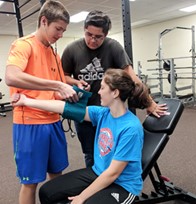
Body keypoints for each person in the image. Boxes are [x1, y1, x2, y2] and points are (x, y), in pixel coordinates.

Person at [12, 68, 152, 204]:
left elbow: (113, 173)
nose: (98, 91)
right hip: (98, 172)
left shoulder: (130, 128)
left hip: (123, 186)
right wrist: (26, 101)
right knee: (47, 192)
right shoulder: (103, 114)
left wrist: (81, 197)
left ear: (115, 93)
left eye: (102, 88)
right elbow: (63, 108)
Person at [61, 10, 167, 167]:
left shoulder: (113, 47)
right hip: (87, 112)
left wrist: (149, 103)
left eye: (98, 37)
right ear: (84, 29)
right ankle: (95, 187)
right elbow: (62, 76)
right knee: (90, 153)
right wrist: (75, 82)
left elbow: (131, 75)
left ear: (106, 34)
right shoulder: (72, 49)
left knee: (119, 150)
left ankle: (118, 186)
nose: (92, 40)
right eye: (89, 34)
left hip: (113, 113)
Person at [5, 1, 78, 204]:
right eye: (58, 29)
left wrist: (71, 88)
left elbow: (57, 86)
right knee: (30, 182)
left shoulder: (54, 54)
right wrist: (56, 86)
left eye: (64, 30)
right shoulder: (24, 45)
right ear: (44, 21)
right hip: (30, 125)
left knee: (57, 175)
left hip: (53, 122)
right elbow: (11, 76)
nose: (60, 35)